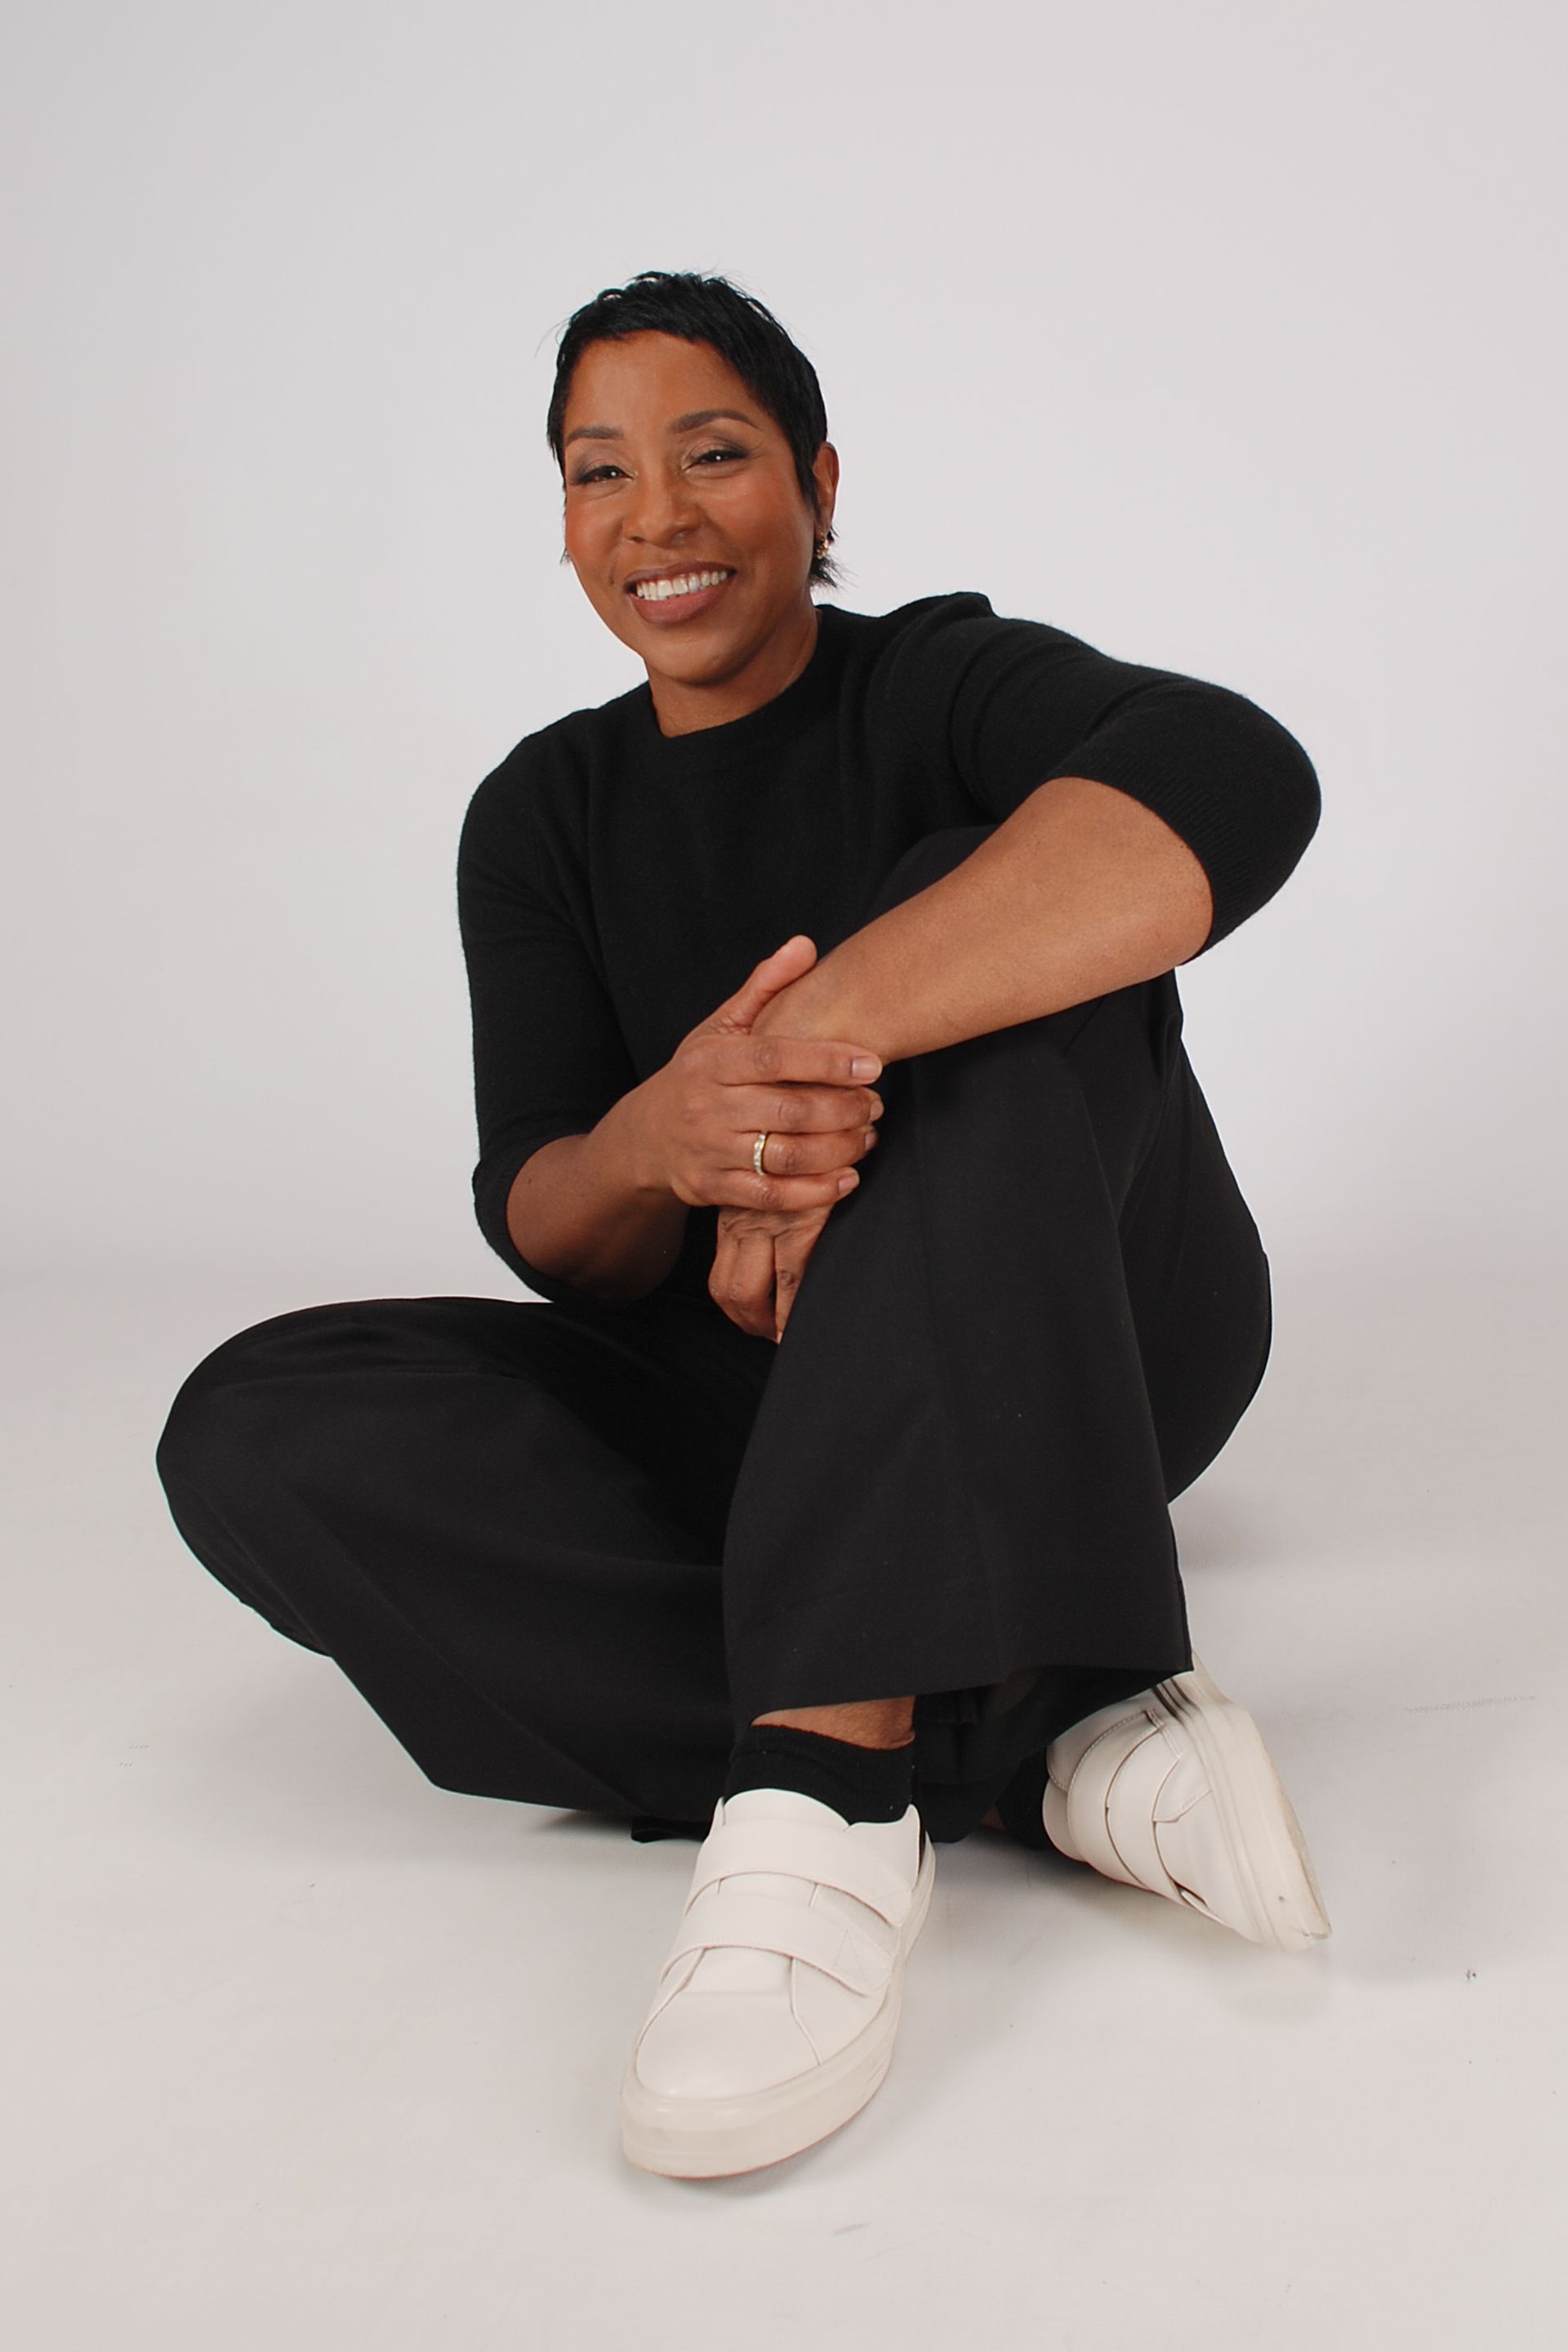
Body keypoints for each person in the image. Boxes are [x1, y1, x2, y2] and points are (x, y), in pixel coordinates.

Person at [154, 268, 1331, 2185]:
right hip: (768, 1400)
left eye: (712, 455)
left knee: (992, 879)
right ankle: (1036, 1709)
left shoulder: (932, 683)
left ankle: (825, 1784)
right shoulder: (541, 811)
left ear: (817, 481)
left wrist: (818, 1049)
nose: (657, 518)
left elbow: (1230, 775)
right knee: (257, 1425)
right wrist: (665, 1144)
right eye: (597, 472)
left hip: (1100, 1329)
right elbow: (553, 1224)